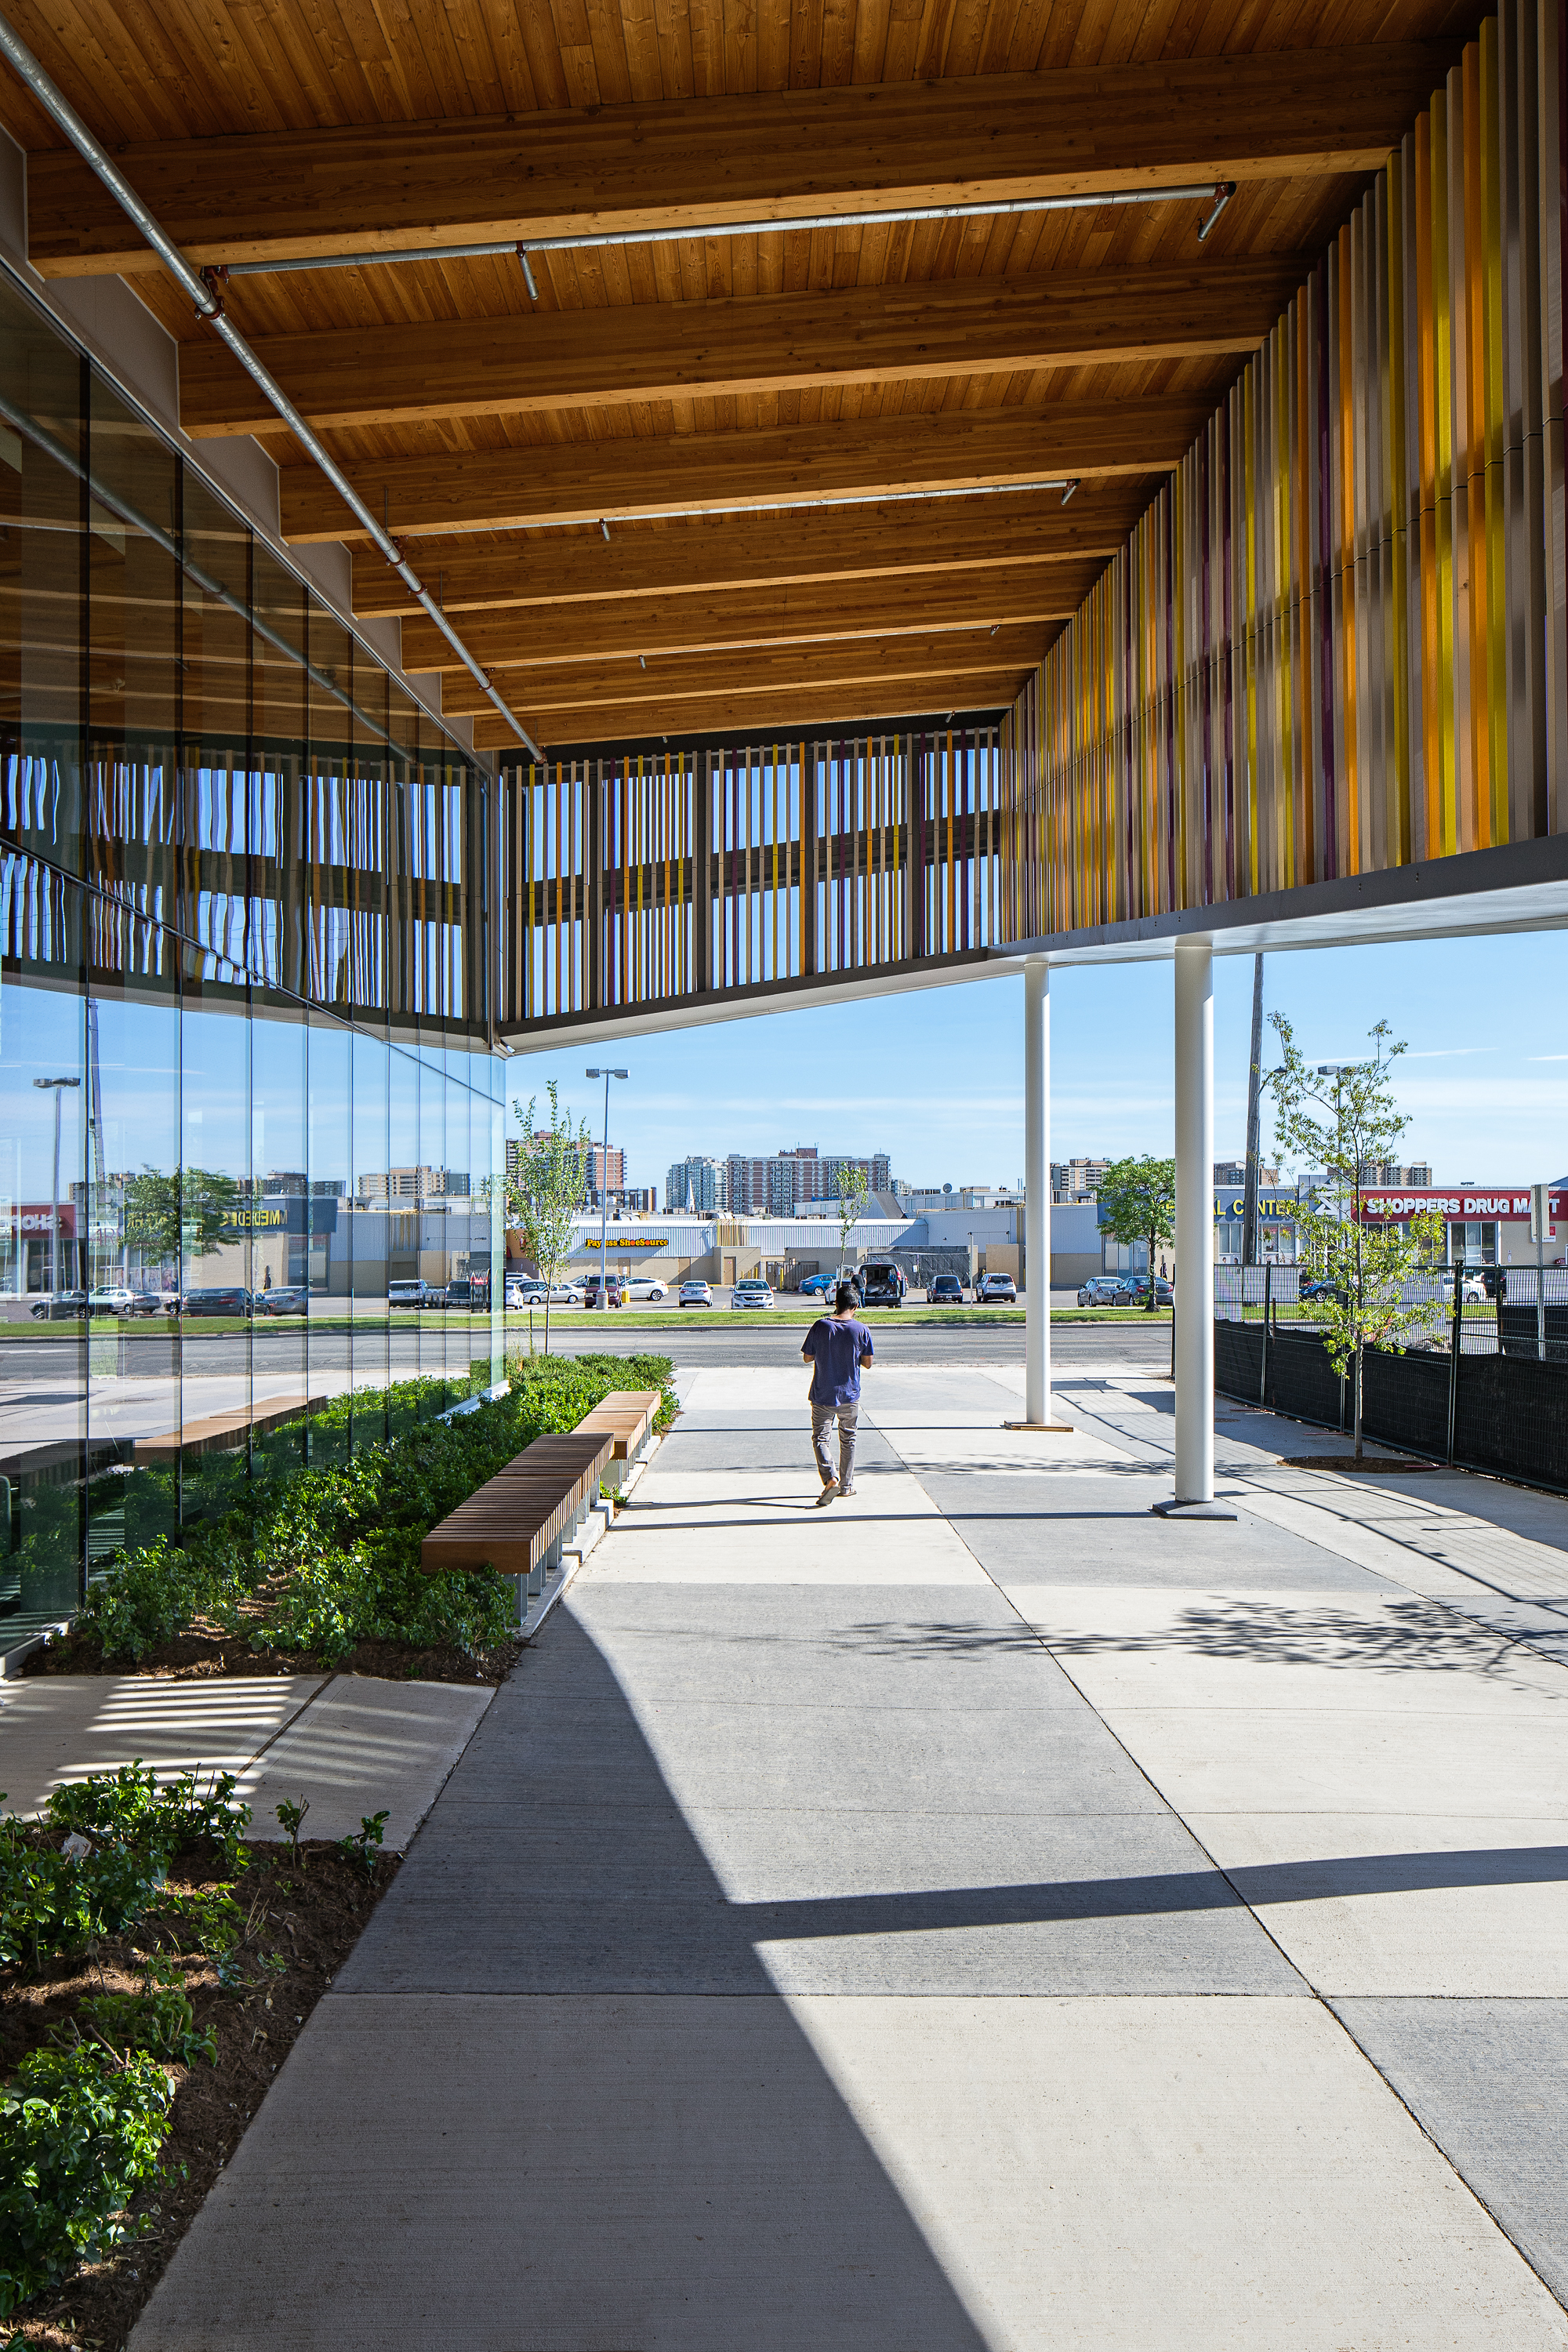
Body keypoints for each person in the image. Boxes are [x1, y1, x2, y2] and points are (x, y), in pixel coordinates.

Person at [801, 1279, 873, 1503]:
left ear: (836, 1303)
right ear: (856, 1307)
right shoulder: (861, 1330)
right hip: (849, 1395)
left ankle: (830, 1476)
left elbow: (807, 1357)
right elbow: (868, 1363)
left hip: (823, 1393)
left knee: (821, 1439)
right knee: (848, 1439)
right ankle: (846, 1486)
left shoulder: (820, 1326)